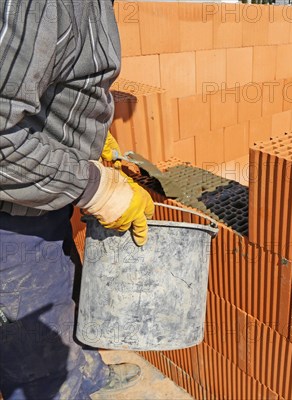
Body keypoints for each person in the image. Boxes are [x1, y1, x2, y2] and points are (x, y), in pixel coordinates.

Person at [0, 1, 154, 398]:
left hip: (44, 204)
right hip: (10, 225)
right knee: (41, 370)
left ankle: (89, 373)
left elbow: (58, 80)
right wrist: (93, 188)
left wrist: (89, 135)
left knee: (66, 299)